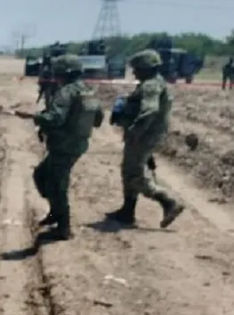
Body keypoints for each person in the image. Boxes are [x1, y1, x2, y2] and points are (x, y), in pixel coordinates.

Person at [20, 54, 104, 241]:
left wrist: (33, 116)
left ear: (62, 74)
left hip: (63, 146)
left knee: (57, 185)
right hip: (77, 144)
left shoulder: (65, 92)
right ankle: (56, 213)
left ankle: (64, 226)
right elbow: (98, 120)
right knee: (42, 175)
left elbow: (55, 119)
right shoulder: (88, 91)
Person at [107, 49, 185, 228]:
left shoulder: (150, 85)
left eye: (137, 69)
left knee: (133, 173)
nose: (134, 72)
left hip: (143, 135)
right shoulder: (155, 83)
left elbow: (150, 110)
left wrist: (135, 131)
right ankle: (127, 211)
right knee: (129, 170)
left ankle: (169, 202)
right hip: (148, 134)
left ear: (146, 69)